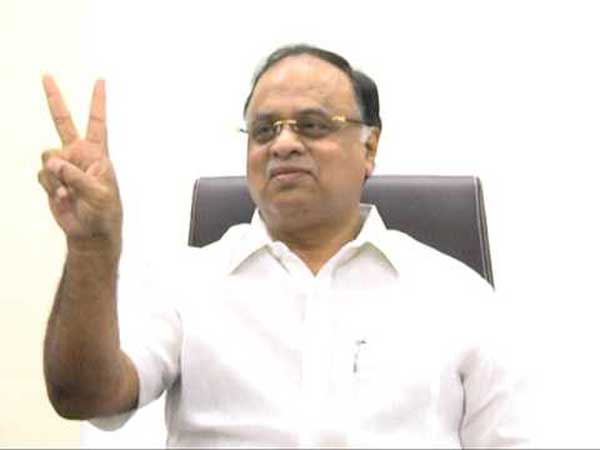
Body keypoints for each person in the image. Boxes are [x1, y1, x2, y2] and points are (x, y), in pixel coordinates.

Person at [39, 44, 532, 447]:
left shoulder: (456, 296)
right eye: (264, 130)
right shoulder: (185, 285)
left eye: (312, 126)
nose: (283, 144)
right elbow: (86, 396)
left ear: (370, 147)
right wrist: (91, 247)